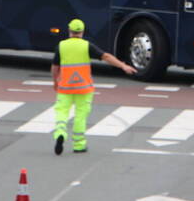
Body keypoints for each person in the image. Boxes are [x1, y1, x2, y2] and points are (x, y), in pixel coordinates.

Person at [50, 18, 135, 155]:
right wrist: (123, 65)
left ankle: (60, 133)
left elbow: (55, 67)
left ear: (69, 31)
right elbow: (106, 56)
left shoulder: (61, 46)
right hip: (84, 88)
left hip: (65, 87)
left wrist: (55, 81)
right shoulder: (87, 46)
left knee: (62, 111)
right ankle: (79, 145)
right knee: (80, 116)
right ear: (82, 32)